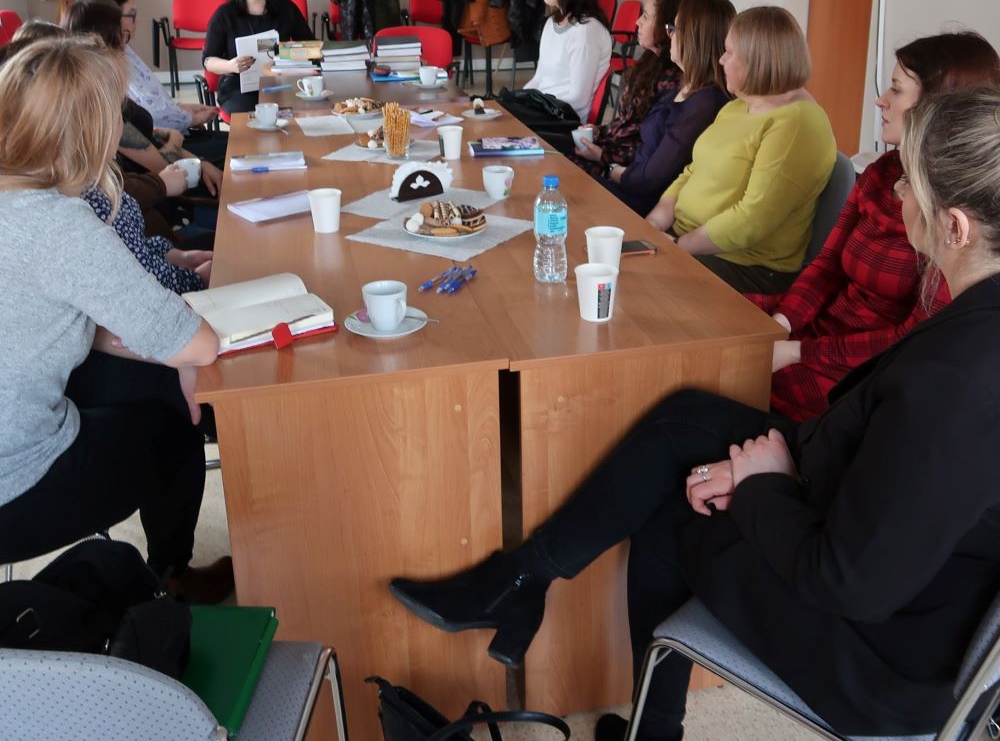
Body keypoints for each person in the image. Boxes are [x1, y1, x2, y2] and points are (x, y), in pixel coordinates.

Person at [389, 86, 1000, 741]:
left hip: (875, 658)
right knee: (681, 423)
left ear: (955, 227)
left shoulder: (956, 383)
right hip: (884, 551)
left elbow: (851, 582)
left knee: (677, 496)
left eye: (910, 183)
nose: (898, 194)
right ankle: (520, 580)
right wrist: (781, 466)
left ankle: (634, 711)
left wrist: (765, 484)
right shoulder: (972, 329)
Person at [0, 37, 230, 600]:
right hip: (15, 483)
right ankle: (170, 577)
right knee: (178, 418)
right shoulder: (58, 223)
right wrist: (175, 352)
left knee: (154, 380)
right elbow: (198, 346)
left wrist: (163, 350)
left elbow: (61, 321)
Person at [753, 30, 1000, 421]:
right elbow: (827, 264)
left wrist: (794, 351)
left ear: (936, 108)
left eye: (896, 90)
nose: (880, 100)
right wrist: (780, 325)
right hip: (820, 328)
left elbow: (911, 341)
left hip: (859, 363)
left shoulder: (947, 219)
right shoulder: (882, 172)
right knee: (713, 320)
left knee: (726, 379)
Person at [646, 6, 836, 294]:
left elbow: (753, 219)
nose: (720, 60)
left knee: (637, 291)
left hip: (744, 266)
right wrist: (658, 218)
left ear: (758, 61)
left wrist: (681, 246)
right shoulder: (738, 106)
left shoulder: (798, 122)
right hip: (688, 242)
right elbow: (693, 170)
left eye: (729, 52)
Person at [579, 0, 733, 217]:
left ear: (694, 38)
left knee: (567, 187)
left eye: (675, 28)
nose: (670, 35)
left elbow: (650, 179)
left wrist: (609, 168)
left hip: (640, 201)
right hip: (629, 184)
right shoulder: (684, 86)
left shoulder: (705, 101)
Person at [63, 0, 223, 198]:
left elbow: (150, 140)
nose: (125, 49)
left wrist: (200, 161)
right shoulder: (102, 113)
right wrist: (175, 139)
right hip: (167, 192)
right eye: (120, 37)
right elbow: (161, 167)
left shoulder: (113, 99)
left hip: (172, 173)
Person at [77, 0, 227, 165]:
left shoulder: (119, 54)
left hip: (169, 148)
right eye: (131, 15)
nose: (135, 21)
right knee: (238, 151)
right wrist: (187, 124)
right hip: (166, 158)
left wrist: (181, 111)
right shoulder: (102, 87)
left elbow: (148, 113)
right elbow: (158, 164)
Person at [573, 0, 688, 177]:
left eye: (646, 16)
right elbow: (627, 123)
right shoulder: (649, 61)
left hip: (624, 168)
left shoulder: (674, 80)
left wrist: (603, 155)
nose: (637, 22)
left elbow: (651, 148)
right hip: (610, 152)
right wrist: (598, 131)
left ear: (666, 25)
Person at [202, 0, 314, 115]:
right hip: (239, 87)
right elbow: (208, 60)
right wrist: (230, 66)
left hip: (281, 82)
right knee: (251, 112)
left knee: (305, 105)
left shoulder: (286, 8)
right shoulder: (225, 14)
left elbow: (310, 46)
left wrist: (292, 52)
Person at [520, 0, 613, 123]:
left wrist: (533, 108)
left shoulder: (587, 31)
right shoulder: (550, 24)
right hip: (544, 113)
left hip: (563, 123)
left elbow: (578, 99)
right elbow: (538, 79)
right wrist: (516, 102)